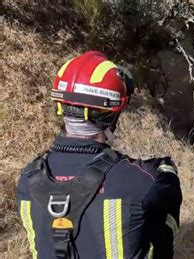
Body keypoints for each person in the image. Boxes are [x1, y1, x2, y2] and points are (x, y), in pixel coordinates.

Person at [16, 51, 182, 259]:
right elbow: (162, 186)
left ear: (61, 105)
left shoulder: (27, 178)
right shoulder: (140, 180)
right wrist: (166, 169)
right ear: (111, 112)